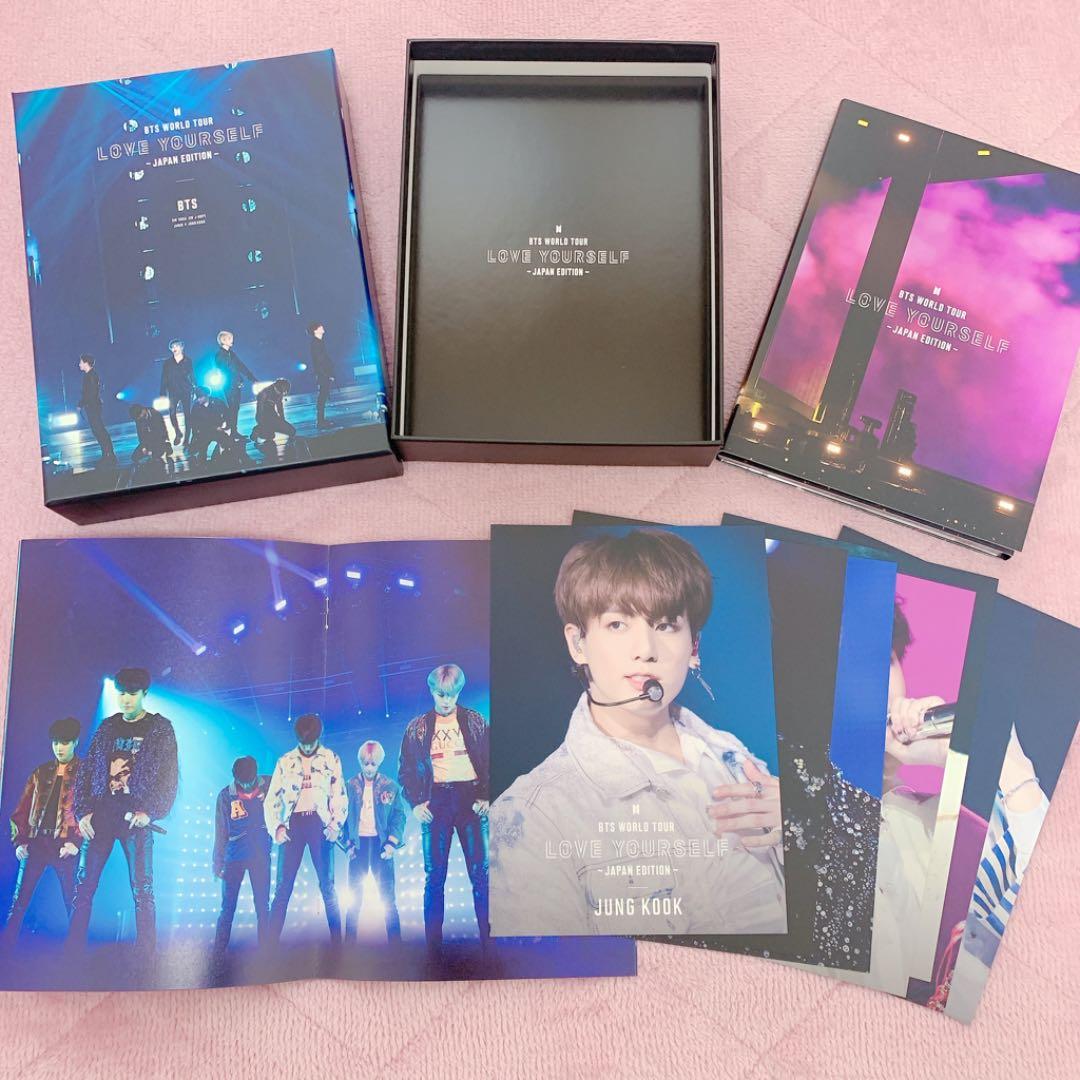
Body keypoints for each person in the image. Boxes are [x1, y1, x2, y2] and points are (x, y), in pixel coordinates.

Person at [489, 529, 787, 936]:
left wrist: (802, 834)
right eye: (617, 624)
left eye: (665, 625)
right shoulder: (533, 813)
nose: (645, 649)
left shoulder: (733, 757)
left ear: (694, 647)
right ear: (578, 644)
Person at [68, 668, 179, 955]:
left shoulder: (160, 728)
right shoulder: (107, 727)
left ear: (144, 693)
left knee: (143, 890)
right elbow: (86, 771)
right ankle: (72, 952)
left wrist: (151, 812)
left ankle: (146, 956)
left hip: (136, 819)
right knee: (83, 888)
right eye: (121, 693)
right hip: (102, 815)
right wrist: (82, 812)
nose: (125, 699)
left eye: (132, 693)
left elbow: (169, 776)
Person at [399, 664, 490, 949]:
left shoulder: (475, 721)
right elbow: (405, 771)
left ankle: (490, 945)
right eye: (441, 694)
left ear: (459, 691)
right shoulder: (417, 728)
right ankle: (433, 951)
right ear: (432, 691)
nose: (447, 700)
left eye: (452, 694)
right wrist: (415, 804)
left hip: (470, 800)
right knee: (435, 877)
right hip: (435, 801)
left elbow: (493, 759)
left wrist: (488, 796)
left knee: (481, 875)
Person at [264, 714, 347, 945]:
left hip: (320, 824)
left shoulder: (331, 758)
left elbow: (339, 795)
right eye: (304, 743)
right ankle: (269, 947)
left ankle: (338, 946)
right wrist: (277, 827)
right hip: (293, 824)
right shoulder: (285, 761)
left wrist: (335, 825)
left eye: (311, 743)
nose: (308, 747)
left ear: (319, 737)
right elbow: (271, 799)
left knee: (327, 886)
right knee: (283, 888)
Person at [3, 717, 83, 943]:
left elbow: (91, 812)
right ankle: (6, 949)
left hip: (65, 844)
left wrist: (76, 843)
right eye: (56, 742)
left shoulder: (84, 773)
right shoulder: (40, 772)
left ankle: (76, 952)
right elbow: (21, 809)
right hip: (36, 843)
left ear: (75, 742)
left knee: (73, 901)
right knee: (19, 899)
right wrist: (20, 841)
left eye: (65, 742)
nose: (59, 748)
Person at [343, 740, 406, 943]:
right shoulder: (349, 787)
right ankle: (349, 946)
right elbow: (341, 817)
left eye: (373, 764)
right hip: (358, 846)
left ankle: (396, 946)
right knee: (354, 900)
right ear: (360, 762)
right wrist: (348, 845)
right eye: (366, 764)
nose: (369, 768)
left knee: (388, 899)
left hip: (381, 845)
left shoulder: (390, 786)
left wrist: (391, 843)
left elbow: (399, 816)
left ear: (379, 763)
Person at [212, 756, 272, 952]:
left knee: (262, 906)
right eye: (242, 782)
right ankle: (218, 951)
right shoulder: (225, 796)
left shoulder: (269, 785)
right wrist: (217, 862)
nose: (246, 786)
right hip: (233, 857)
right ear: (235, 777)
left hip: (259, 853)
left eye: (250, 781)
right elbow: (220, 830)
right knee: (227, 907)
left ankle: (266, 951)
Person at [77, 354, 117, 466]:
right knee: (97, 430)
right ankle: (106, 453)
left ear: (86, 363)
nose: (79, 364)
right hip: (92, 406)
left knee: (99, 430)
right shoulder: (89, 375)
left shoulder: (91, 376)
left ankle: (109, 453)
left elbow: (90, 393)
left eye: (81, 362)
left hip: (93, 406)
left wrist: (81, 404)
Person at [214, 330, 256, 434]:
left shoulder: (231, 354)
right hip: (229, 385)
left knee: (235, 408)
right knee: (232, 408)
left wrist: (251, 378)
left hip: (235, 384)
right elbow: (225, 371)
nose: (232, 340)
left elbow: (240, 366)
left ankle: (233, 431)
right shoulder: (220, 355)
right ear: (223, 340)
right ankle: (232, 431)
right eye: (229, 339)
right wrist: (237, 380)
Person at [160, 338, 196, 447]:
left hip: (185, 390)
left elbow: (192, 375)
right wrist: (162, 392)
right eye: (172, 347)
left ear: (182, 347)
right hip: (173, 391)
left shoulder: (188, 361)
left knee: (187, 414)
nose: (174, 348)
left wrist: (195, 388)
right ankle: (177, 432)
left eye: (176, 346)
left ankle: (187, 438)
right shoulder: (167, 363)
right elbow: (164, 377)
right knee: (172, 413)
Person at [250, 379, 295, 446]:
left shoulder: (280, 392)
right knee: (269, 436)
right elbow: (259, 408)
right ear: (277, 387)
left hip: (273, 416)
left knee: (291, 431)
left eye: (283, 392)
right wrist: (260, 422)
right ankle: (257, 430)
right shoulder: (264, 393)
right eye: (281, 391)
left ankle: (264, 429)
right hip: (263, 416)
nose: (281, 394)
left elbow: (280, 407)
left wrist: (282, 420)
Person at [308, 322, 335, 429]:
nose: (322, 327)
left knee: (323, 397)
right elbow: (319, 362)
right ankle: (320, 421)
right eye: (320, 327)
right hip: (322, 374)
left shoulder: (319, 342)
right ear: (315, 330)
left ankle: (321, 420)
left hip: (323, 373)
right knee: (322, 397)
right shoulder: (316, 343)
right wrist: (327, 374)